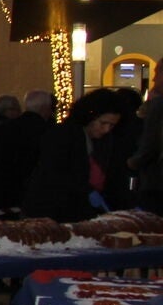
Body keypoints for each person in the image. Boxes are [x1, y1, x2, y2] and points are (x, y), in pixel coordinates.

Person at [22, 88, 128, 222]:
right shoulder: (63, 135)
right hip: (52, 211)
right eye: (103, 123)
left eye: (111, 125)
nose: (106, 129)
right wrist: (87, 191)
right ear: (90, 116)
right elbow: (55, 173)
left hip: (80, 212)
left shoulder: (104, 141)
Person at [0, 89, 54, 214]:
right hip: (30, 194)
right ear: (44, 108)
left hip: (3, 192)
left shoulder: (5, 128)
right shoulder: (46, 132)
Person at [130, 84, 162, 214]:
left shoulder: (158, 106)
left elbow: (151, 142)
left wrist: (134, 162)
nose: (154, 78)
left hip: (155, 181)